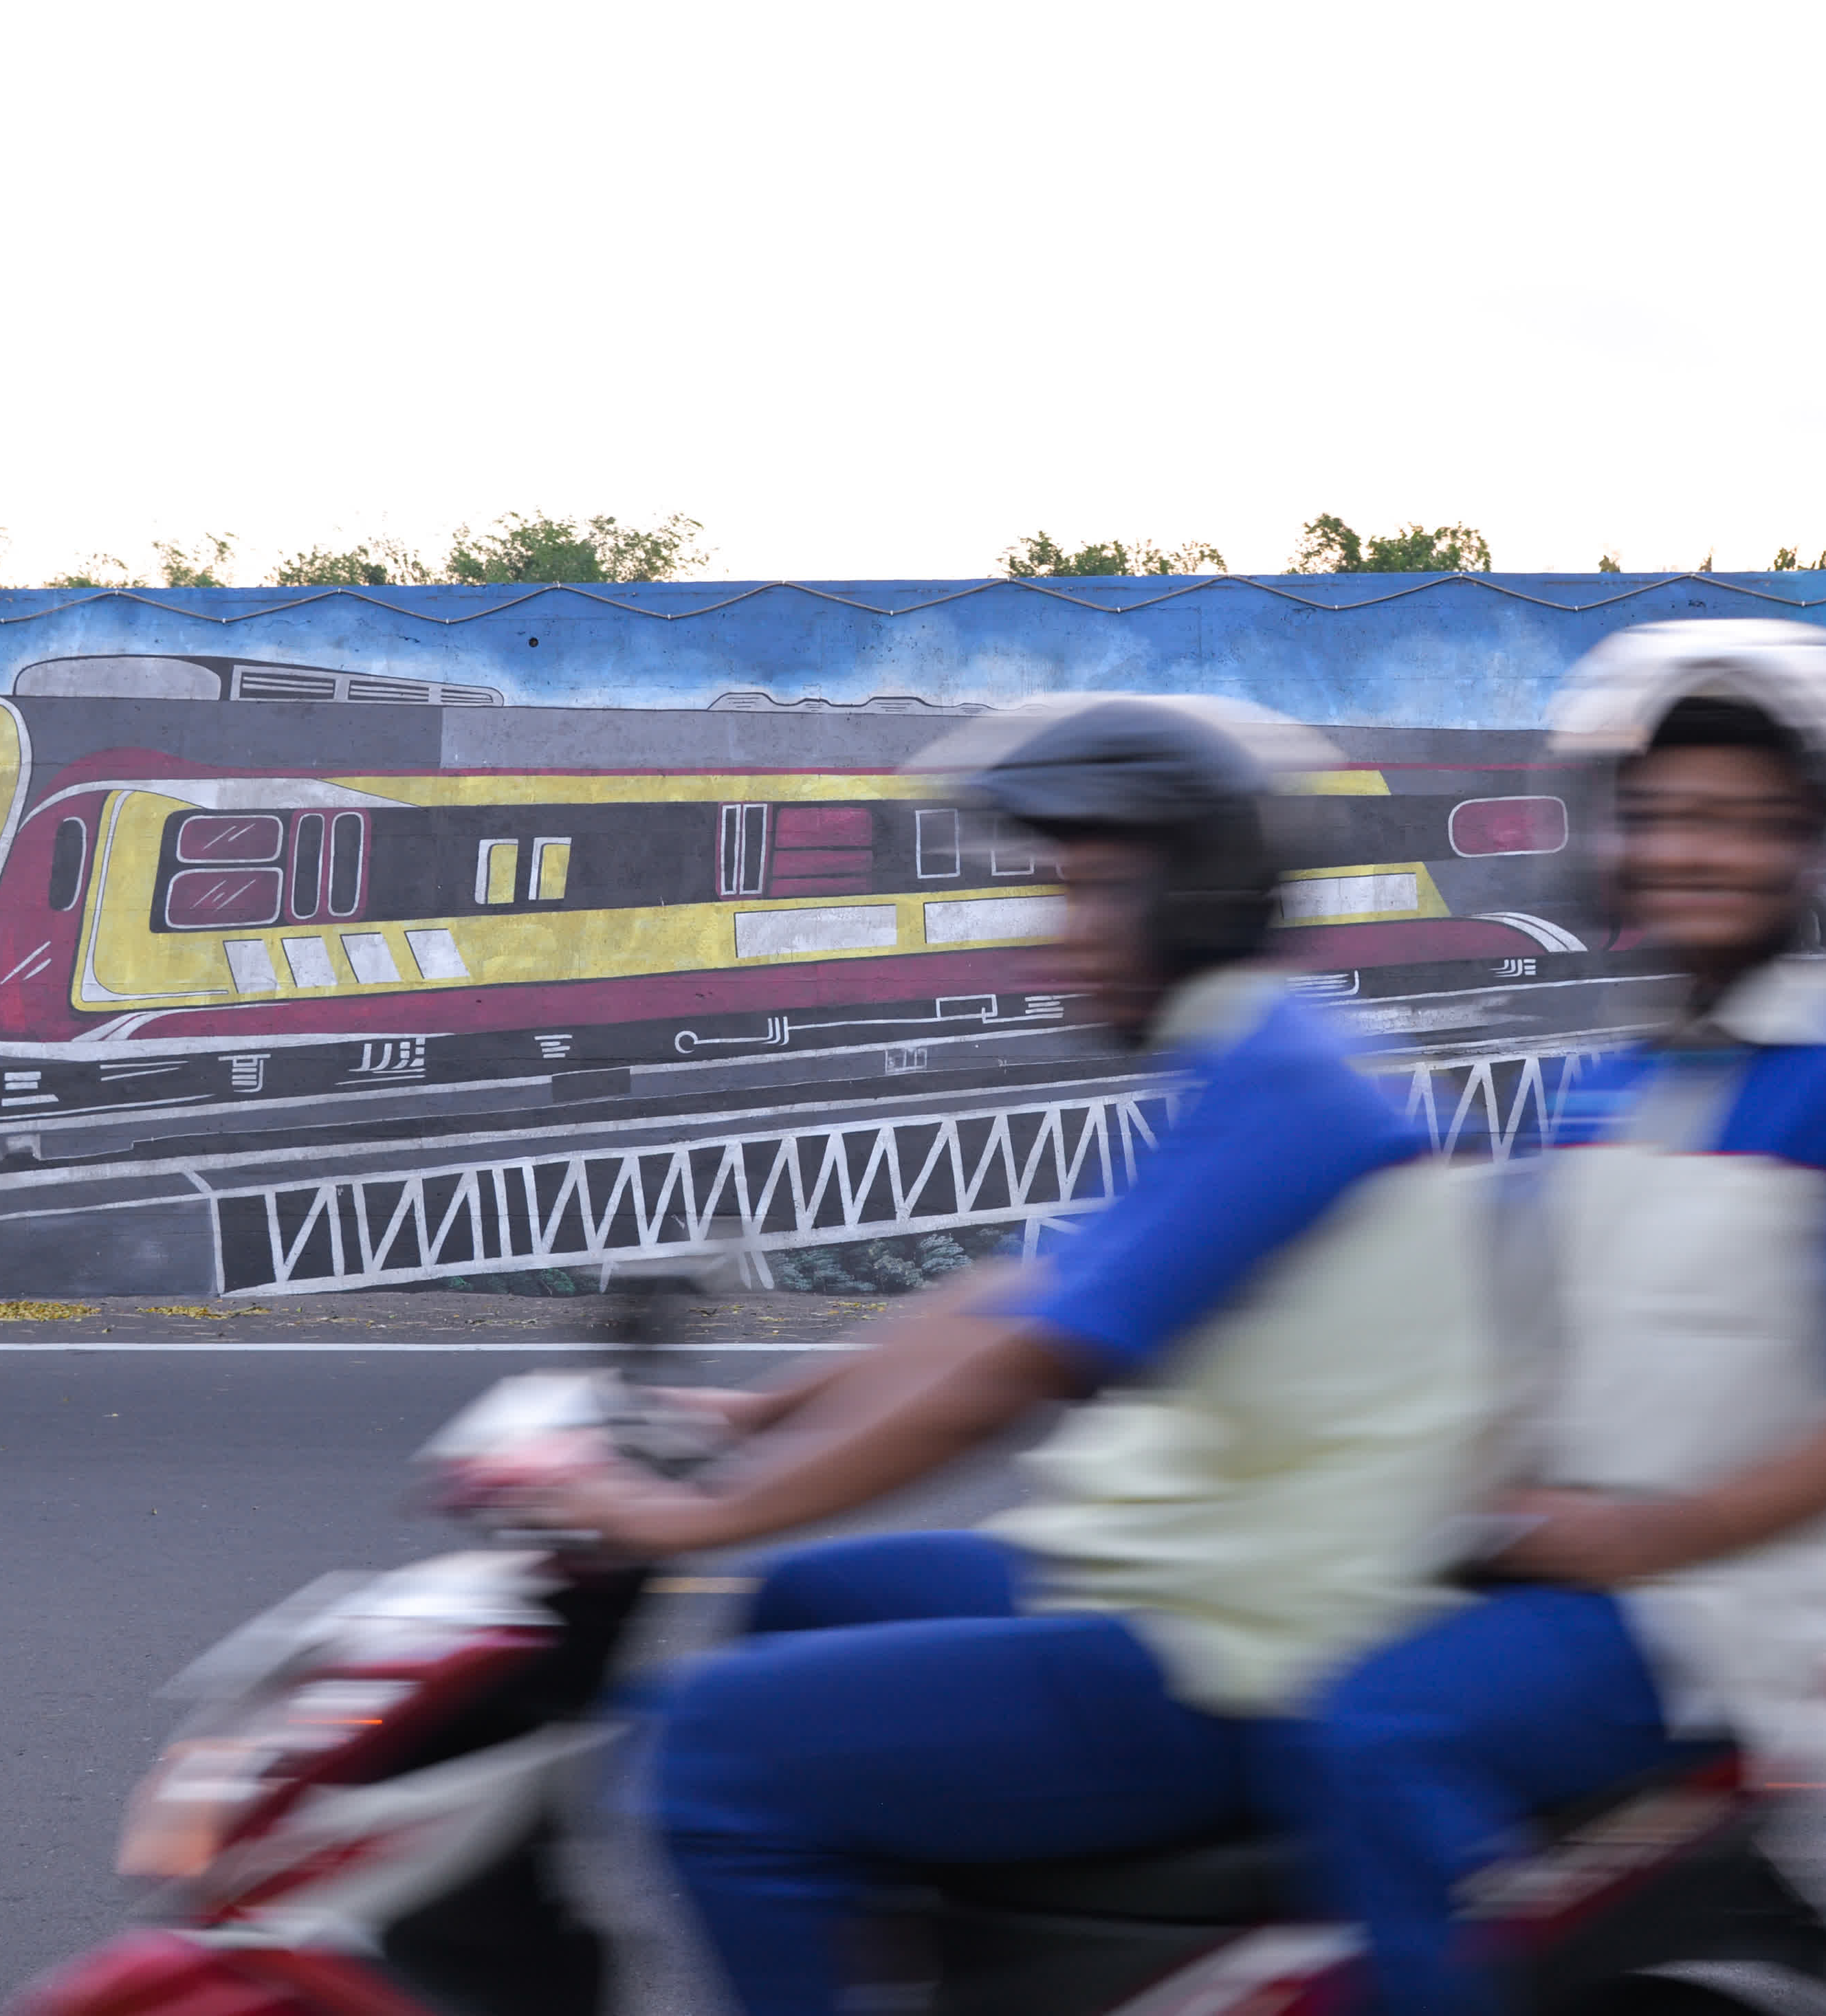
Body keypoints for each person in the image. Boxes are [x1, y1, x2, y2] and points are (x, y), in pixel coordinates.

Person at [507, 694, 1504, 2016]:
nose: (1058, 941)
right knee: (792, 1606)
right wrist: (742, 1421)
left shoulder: (1281, 1081)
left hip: (1235, 1650)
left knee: (714, 1756)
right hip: (1173, 1573)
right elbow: (1007, 1297)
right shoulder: (1246, 1058)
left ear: (1196, 891)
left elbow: (1016, 1372)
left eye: (1094, 895)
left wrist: (692, 1519)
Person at [1306, 620, 1826, 2016]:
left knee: (1367, 1733)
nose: (1693, 849)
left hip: (1701, 1611)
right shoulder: (1609, 1081)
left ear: (1809, 847)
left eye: (1742, 822)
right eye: (1665, 815)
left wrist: (1637, 1535)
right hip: (1547, 1560)